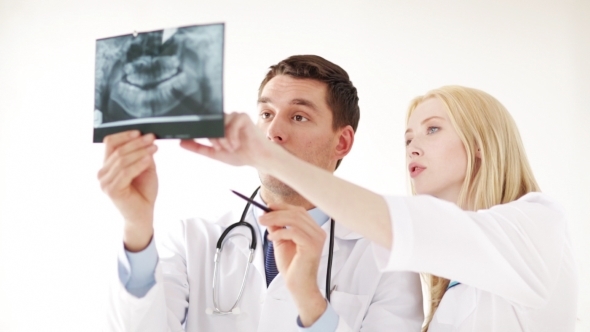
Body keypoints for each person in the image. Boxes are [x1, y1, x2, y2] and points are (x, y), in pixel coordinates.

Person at [187, 85, 578, 332]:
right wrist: (308, 297)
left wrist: (269, 156)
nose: (413, 145)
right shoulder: (447, 285)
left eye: (433, 129)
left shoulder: (539, 222)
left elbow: (403, 225)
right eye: (408, 137)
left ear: (480, 144)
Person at [98, 55, 424, 331]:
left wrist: (310, 299)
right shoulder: (192, 240)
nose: (273, 132)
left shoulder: (386, 257)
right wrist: (136, 225)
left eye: (299, 116)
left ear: (342, 142)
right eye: (266, 114)